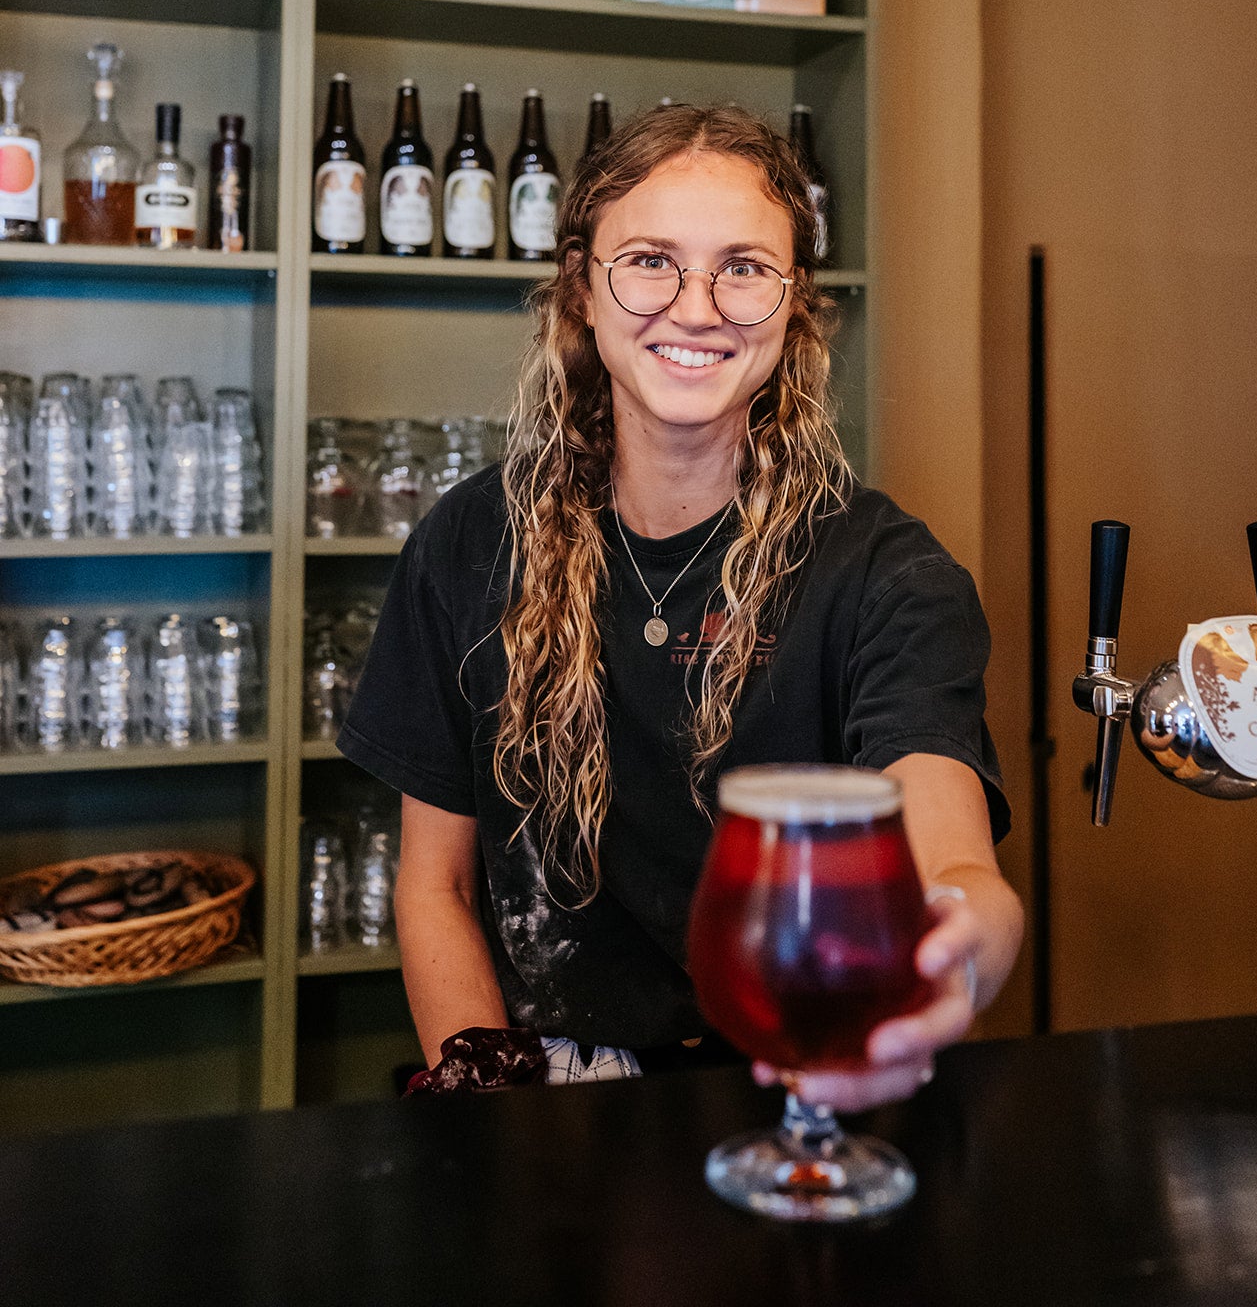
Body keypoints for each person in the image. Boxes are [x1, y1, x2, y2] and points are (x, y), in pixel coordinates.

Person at [338, 103, 1024, 1106]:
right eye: (650, 260)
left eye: (743, 267)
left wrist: (961, 948)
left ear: (793, 307)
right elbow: (433, 884)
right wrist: (489, 1098)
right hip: (550, 1095)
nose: (695, 308)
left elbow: (953, 860)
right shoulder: (469, 543)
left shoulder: (884, 573)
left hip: (802, 1080)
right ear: (581, 290)